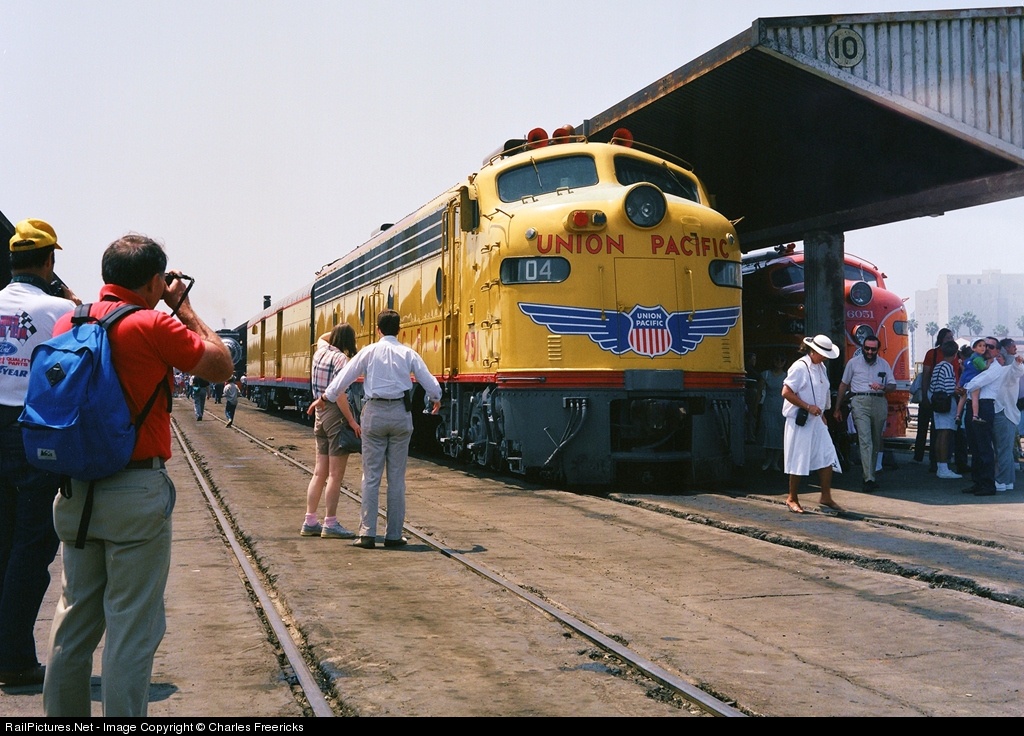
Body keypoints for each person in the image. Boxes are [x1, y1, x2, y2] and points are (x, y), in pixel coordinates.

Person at [43, 233, 233, 716]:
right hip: (134, 492)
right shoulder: (152, 323)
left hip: (75, 492)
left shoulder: (69, 321)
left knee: (73, 621)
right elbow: (220, 366)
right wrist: (182, 306)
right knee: (131, 627)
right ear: (154, 281)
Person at [0, 219, 78, 687]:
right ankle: (12, 657)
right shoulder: (59, 309)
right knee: (31, 548)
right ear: (49, 261)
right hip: (29, 434)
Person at [308, 309, 441, 548]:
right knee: (396, 478)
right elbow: (429, 381)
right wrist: (436, 398)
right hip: (400, 414)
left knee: (371, 476)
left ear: (378, 330)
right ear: (399, 329)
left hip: (374, 414)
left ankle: (367, 533)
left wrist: (324, 398)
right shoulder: (408, 353)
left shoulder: (368, 352)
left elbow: (343, 379)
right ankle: (394, 535)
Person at [301, 325, 359, 540]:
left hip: (319, 413)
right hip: (335, 413)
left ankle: (310, 521)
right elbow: (340, 394)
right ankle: (330, 523)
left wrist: (337, 330)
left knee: (319, 473)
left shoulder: (320, 351)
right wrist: (352, 421)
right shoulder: (341, 359)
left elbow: (322, 337)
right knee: (335, 475)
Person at [781, 334, 843, 514]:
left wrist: (821, 413)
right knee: (799, 456)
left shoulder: (821, 367)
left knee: (827, 455)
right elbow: (786, 392)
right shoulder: (800, 367)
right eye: (823, 354)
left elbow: (822, 393)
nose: (825, 358)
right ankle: (792, 497)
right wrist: (808, 407)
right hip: (800, 420)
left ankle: (826, 496)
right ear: (813, 351)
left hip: (816, 419)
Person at [834, 334, 895, 492]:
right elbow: (843, 385)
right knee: (865, 439)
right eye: (867, 348)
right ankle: (868, 478)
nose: (869, 352)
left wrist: (882, 387)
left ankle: (870, 474)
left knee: (875, 441)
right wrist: (837, 408)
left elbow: (893, 385)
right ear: (862, 348)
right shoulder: (853, 363)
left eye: (873, 349)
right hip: (859, 401)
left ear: (877, 349)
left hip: (879, 401)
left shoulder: (884, 364)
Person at [961, 337, 1010, 497]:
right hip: (973, 404)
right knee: (974, 446)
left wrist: (965, 385)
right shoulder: (979, 364)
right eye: (984, 345)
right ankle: (978, 482)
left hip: (984, 405)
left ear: (997, 351)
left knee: (984, 446)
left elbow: (977, 382)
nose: (987, 348)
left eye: (991, 346)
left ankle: (988, 484)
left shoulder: (995, 368)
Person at [915, 327, 954, 471]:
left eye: (951, 337)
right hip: (936, 395)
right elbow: (926, 375)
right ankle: (924, 457)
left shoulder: (952, 356)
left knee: (937, 430)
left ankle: (935, 460)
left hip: (941, 395)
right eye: (948, 337)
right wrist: (925, 395)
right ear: (941, 339)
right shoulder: (932, 354)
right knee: (929, 428)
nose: (951, 339)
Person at [992, 338, 1024, 492]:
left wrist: (1016, 363)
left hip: (1004, 413)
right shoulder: (995, 372)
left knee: (1002, 450)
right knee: (1006, 450)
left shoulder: (1006, 371)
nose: (996, 359)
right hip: (1006, 413)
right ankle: (1008, 480)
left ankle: (1002, 480)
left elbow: (1016, 370)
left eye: (999, 356)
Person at [928, 340, 962, 479]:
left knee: (940, 434)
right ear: (955, 354)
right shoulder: (948, 367)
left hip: (937, 402)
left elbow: (932, 386)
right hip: (946, 403)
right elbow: (949, 388)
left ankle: (940, 466)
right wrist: (959, 391)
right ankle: (943, 468)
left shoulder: (938, 366)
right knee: (945, 435)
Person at [756, 352, 787, 471]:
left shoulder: (787, 376)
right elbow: (759, 392)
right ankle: (768, 459)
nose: (779, 362)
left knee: (780, 433)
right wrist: (755, 407)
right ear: (773, 361)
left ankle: (775, 461)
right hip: (768, 406)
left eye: (782, 360)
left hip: (782, 407)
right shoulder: (766, 374)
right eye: (777, 359)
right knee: (768, 432)